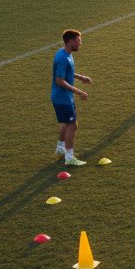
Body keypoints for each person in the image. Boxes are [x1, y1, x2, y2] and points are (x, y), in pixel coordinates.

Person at [51, 29, 92, 166]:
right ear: (69, 41)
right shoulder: (63, 58)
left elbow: (66, 72)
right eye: (78, 41)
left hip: (62, 97)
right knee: (72, 125)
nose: (80, 43)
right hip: (63, 98)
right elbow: (59, 80)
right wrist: (79, 92)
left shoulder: (64, 53)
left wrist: (81, 77)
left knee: (67, 123)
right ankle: (69, 157)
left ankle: (60, 147)